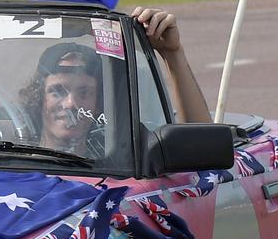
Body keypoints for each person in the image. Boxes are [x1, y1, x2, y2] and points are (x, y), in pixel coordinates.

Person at [20, 8, 211, 156]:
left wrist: (172, 53)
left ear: (99, 104)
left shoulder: (125, 160)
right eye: (57, 91)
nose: (71, 103)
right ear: (38, 99)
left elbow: (203, 149)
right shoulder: (7, 157)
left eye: (84, 92)